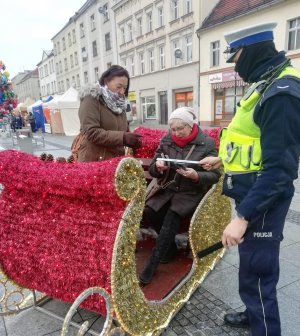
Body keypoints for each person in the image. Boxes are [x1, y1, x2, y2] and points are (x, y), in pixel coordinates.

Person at [200, 22, 300, 336]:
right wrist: (222, 158)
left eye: (237, 57)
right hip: (254, 194)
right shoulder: (266, 81)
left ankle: (265, 327)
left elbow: (280, 170)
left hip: (263, 200)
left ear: (253, 50)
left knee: (258, 269)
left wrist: (243, 217)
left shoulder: (281, 92)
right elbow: (252, 140)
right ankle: (253, 311)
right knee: (251, 266)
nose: (236, 66)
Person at [139, 106, 220, 284]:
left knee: (171, 218)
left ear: (190, 126)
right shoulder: (168, 138)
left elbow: (215, 175)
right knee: (150, 210)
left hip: (190, 192)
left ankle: (152, 264)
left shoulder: (206, 143)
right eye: (173, 129)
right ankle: (169, 250)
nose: (176, 133)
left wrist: (196, 175)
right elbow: (153, 167)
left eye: (180, 129)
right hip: (168, 187)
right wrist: (159, 167)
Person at [76, 65, 141, 162]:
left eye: (125, 87)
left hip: (114, 160)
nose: (122, 92)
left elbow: (123, 130)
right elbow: (91, 132)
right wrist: (123, 137)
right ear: (106, 81)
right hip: (94, 160)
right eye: (119, 87)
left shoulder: (119, 104)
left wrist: (131, 139)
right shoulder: (91, 99)